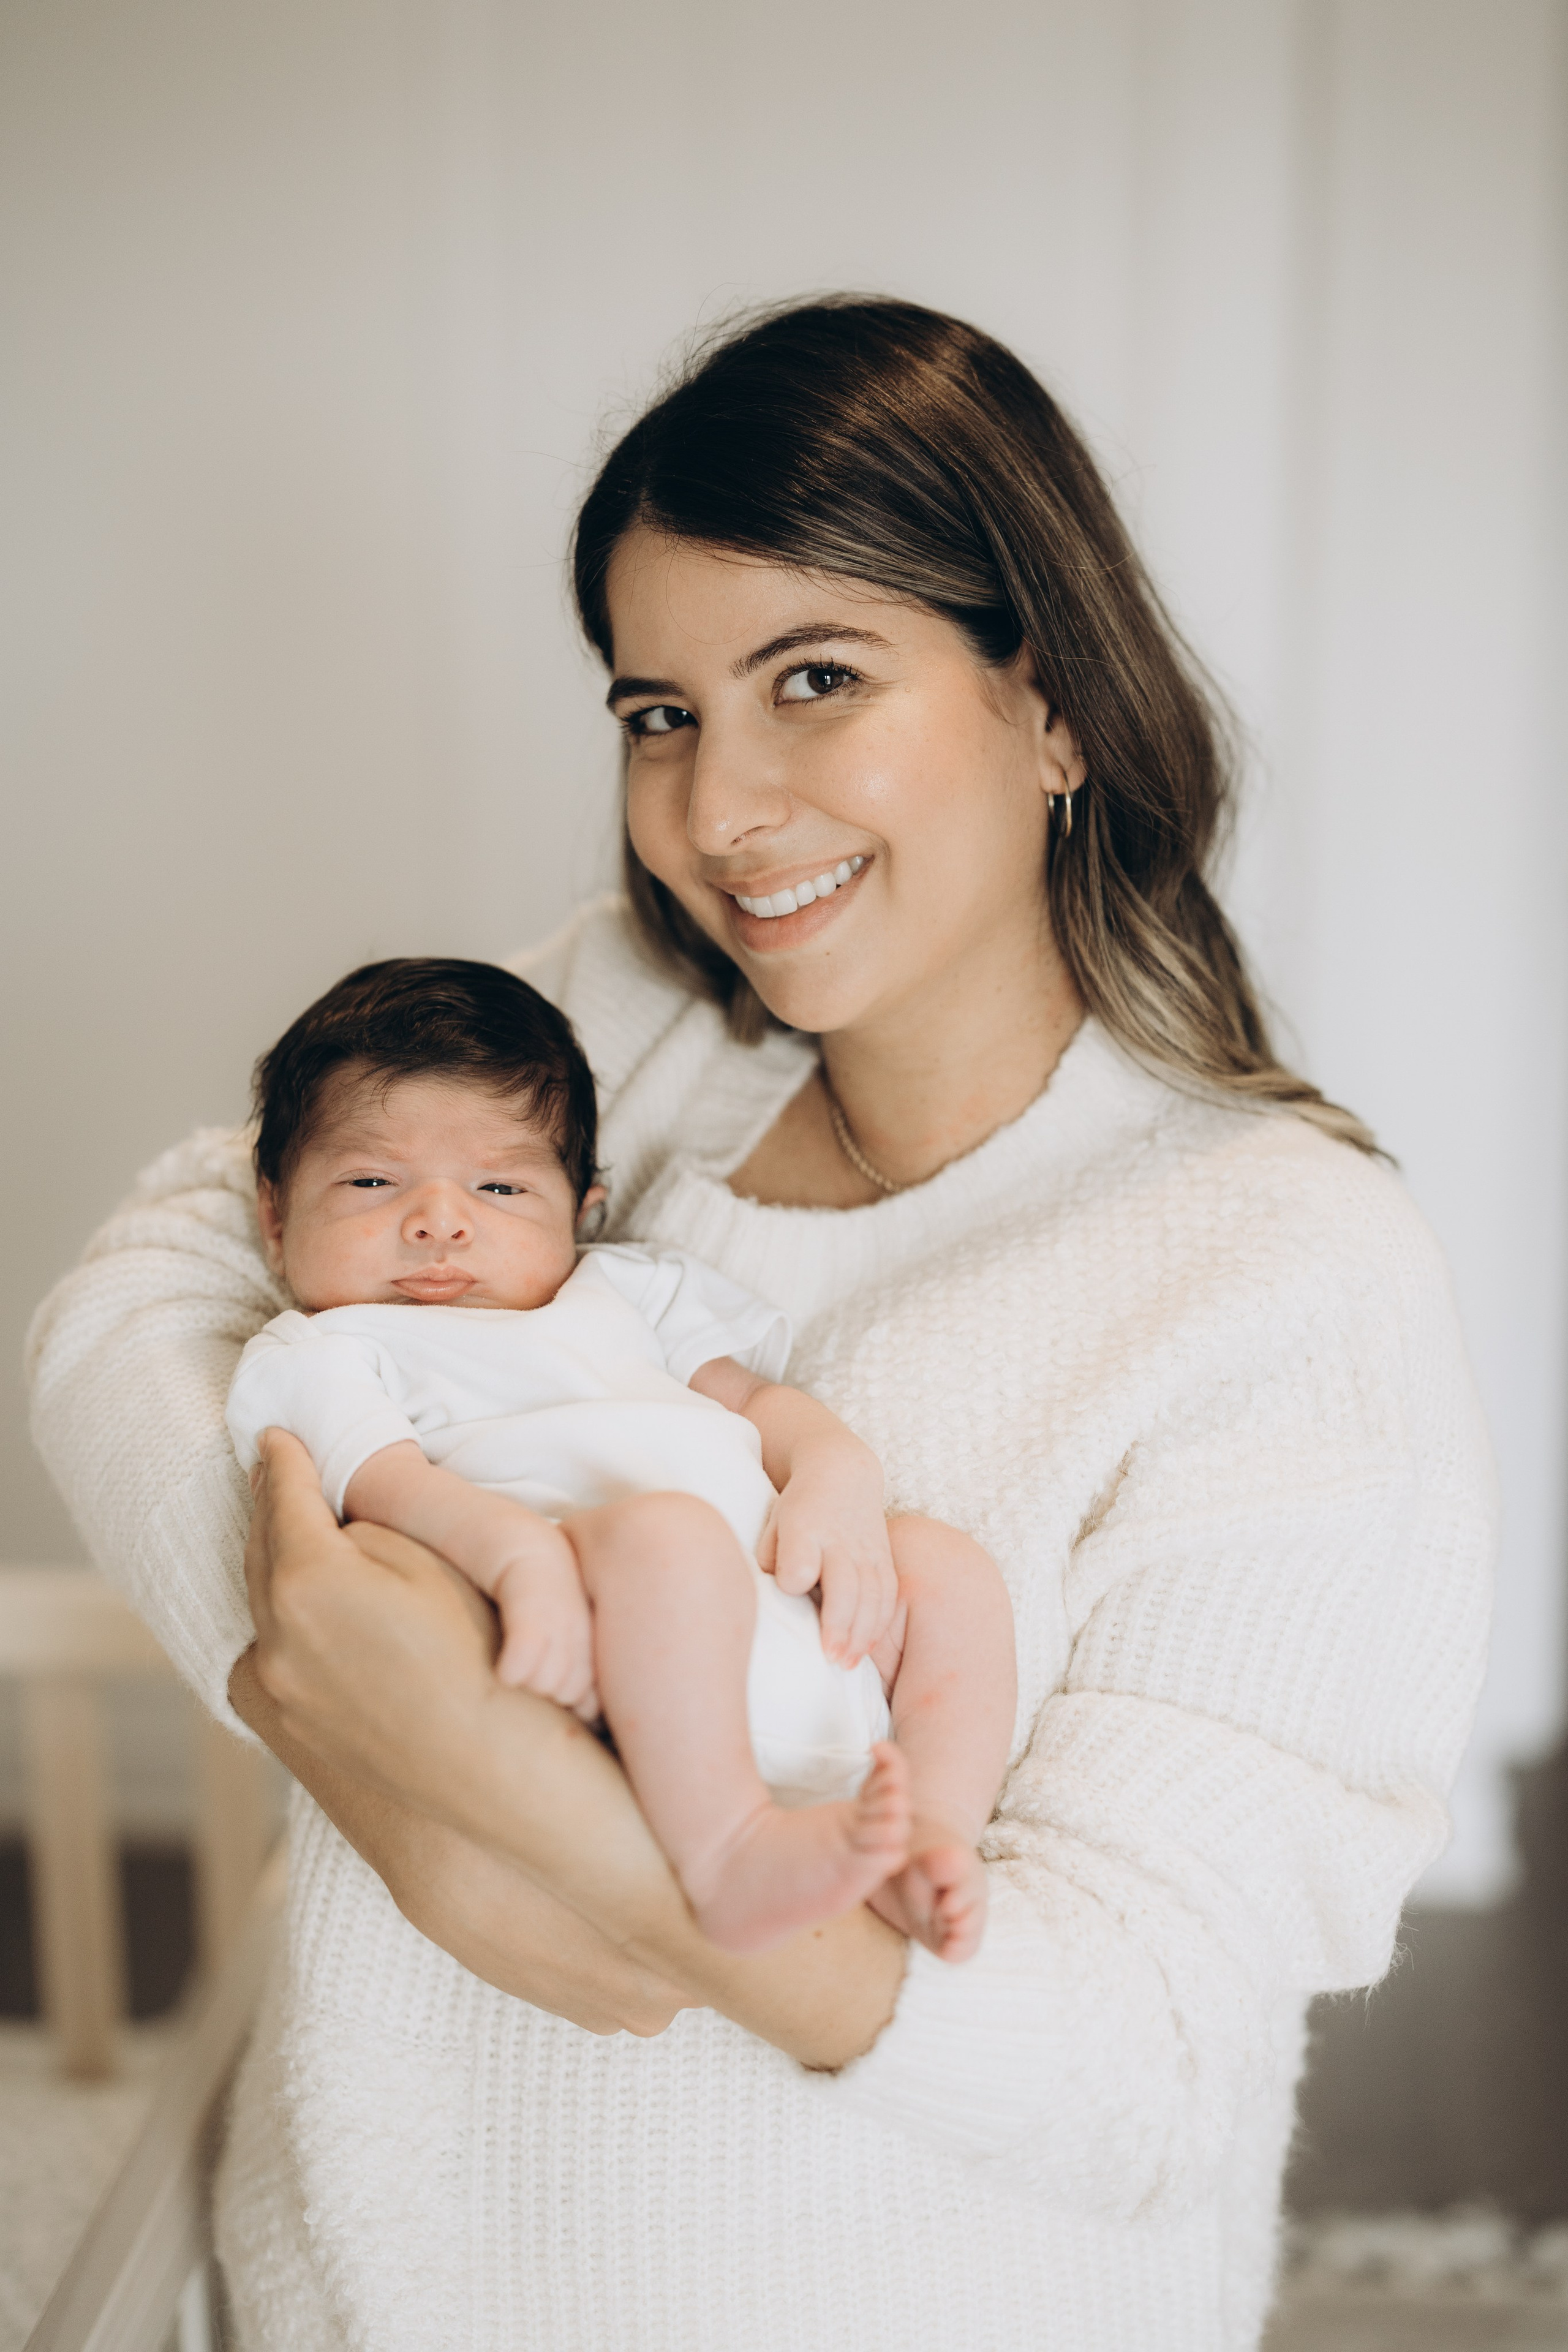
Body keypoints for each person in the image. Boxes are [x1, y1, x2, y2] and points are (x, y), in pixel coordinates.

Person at [28, 296, 1496, 2352]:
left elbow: (1143, 2070)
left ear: (1053, 703)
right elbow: (152, 1283)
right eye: (658, 712)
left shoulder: (1283, 1271)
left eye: (817, 677)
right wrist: (348, 1711)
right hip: (358, 2294)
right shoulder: (641, 1040)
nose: (717, 813)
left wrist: (570, 1855)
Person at [225, 955, 1014, 1958]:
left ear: (582, 1209)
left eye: (501, 1184)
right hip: (617, 1664)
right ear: (276, 1214)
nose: (438, 1218)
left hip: (795, 1630)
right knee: (671, 1533)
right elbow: (393, 1486)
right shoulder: (327, 1347)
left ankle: (930, 1836)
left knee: (945, 1566)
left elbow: (761, 1403)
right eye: (372, 1180)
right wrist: (519, 1557)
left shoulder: (629, 1294)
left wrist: (836, 1473)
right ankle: (727, 1854)